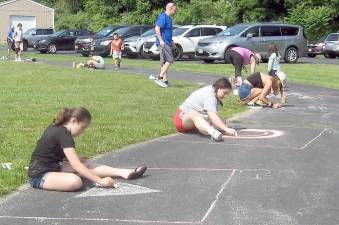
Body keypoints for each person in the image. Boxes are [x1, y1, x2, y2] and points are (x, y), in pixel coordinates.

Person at [28, 107, 147, 191]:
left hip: (53, 167)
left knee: (85, 163)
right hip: (39, 176)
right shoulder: (64, 134)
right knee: (75, 181)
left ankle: (124, 172)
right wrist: (101, 181)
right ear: (74, 121)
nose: (83, 132)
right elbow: (76, 165)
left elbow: (49, 150)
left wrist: (75, 158)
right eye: (82, 127)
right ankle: (85, 176)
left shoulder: (58, 128)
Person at [173, 78, 238, 142]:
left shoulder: (215, 93)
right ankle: (213, 133)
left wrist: (223, 129)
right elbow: (212, 115)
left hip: (195, 120)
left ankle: (207, 129)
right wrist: (226, 129)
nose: (225, 96)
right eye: (224, 93)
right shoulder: (210, 95)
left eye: (227, 94)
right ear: (219, 88)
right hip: (181, 119)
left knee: (222, 121)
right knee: (194, 114)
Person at [154, 2, 177, 88]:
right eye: (174, 10)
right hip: (163, 43)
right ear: (170, 8)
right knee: (169, 60)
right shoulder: (163, 17)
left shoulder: (169, 19)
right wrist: (161, 41)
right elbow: (157, 28)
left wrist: (172, 42)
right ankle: (159, 78)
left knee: (164, 63)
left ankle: (165, 81)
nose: (175, 12)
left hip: (167, 42)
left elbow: (167, 32)